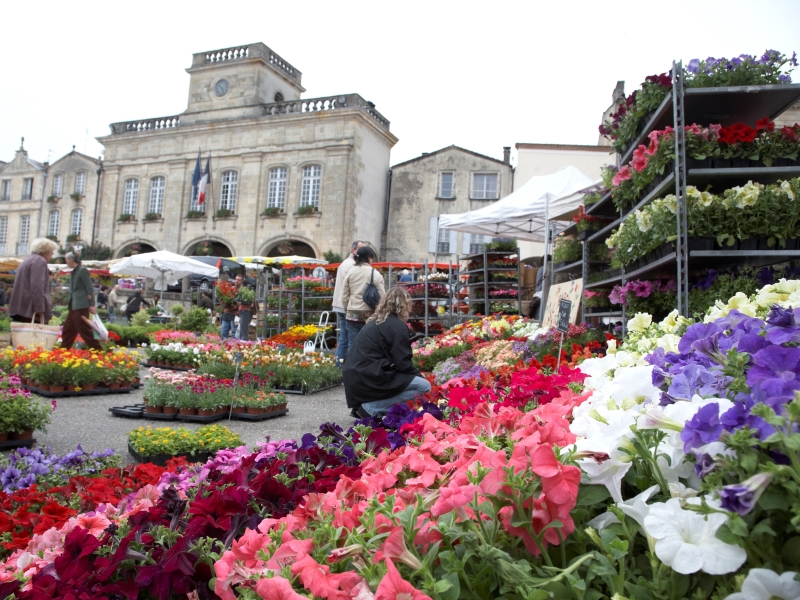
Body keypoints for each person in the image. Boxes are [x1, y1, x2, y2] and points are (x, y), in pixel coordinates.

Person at [343, 287, 431, 418]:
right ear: (405, 305)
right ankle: (371, 408)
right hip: (369, 376)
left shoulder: (376, 322)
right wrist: (419, 375)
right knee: (424, 387)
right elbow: (403, 363)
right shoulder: (397, 326)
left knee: (408, 383)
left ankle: (364, 406)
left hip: (357, 376)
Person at [341, 246, 385, 344]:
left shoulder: (350, 272)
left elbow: (344, 296)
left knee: (352, 345)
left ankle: (352, 360)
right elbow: (383, 297)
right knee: (369, 345)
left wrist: (347, 310)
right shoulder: (376, 274)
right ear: (369, 258)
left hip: (352, 315)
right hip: (370, 316)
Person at [60, 251, 103, 351]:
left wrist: (92, 304)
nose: (66, 262)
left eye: (66, 260)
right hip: (74, 305)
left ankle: (99, 351)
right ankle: (62, 351)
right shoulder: (75, 270)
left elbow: (89, 287)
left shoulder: (82, 270)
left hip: (81, 305)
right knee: (68, 329)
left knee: (85, 330)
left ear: (71, 260)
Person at [9, 238, 57, 324]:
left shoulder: (28, 260)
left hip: (21, 308)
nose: (51, 257)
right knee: (35, 335)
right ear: (45, 252)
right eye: (51, 253)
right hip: (30, 309)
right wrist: (39, 308)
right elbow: (37, 286)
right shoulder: (39, 261)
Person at [332, 241, 365, 364]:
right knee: (351, 340)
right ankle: (347, 368)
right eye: (360, 249)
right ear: (353, 250)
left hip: (341, 305)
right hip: (348, 306)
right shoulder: (352, 265)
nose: (363, 252)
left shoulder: (345, 264)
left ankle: (338, 367)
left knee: (344, 338)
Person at [220, 275, 242, 340]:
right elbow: (224, 299)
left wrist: (235, 306)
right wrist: (224, 302)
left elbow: (241, 303)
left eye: (238, 280)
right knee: (224, 331)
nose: (236, 281)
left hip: (235, 314)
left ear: (241, 281)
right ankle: (224, 346)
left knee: (234, 333)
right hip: (227, 312)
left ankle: (232, 347)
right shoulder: (231, 289)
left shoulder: (242, 291)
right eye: (236, 279)